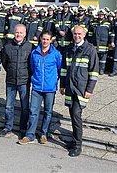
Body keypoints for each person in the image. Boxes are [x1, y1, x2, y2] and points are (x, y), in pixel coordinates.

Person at [60, 25, 99, 157]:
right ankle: (74, 140)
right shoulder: (69, 49)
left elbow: (94, 72)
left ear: (84, 35)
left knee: (76, 115)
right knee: (72, 114)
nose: (77, 36)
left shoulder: (90, 49)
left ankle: (78, 145)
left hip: (81, 89)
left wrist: (90, 89)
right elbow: (64, 69)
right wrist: (62, 85)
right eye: (75, 34)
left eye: (79, 34)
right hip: (70, 87)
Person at [19, 30, 62, 144]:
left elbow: (59, 69)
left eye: (47, 39)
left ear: (51, 40)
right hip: (37, 87)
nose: (45, 41)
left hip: (50, 88)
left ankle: (44, 133)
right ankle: (30, 134)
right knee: (33, 111)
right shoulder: (34, 53)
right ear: (40, 39)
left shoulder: (56, 54)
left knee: (48, 112)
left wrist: (54, 81)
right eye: (43, 39)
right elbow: (32, 68)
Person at [0, 24, 33, 137]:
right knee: (9, 106)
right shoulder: (7, 47)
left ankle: (23, 128)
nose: (18, 35)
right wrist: (10, 71)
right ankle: (8, 126)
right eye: (17, 32)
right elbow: (4, 62)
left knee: (25, 107)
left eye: (21, 33)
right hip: (11, 80)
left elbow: (31, 64)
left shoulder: (30, 47)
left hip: (24, 81)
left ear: (25, 34)